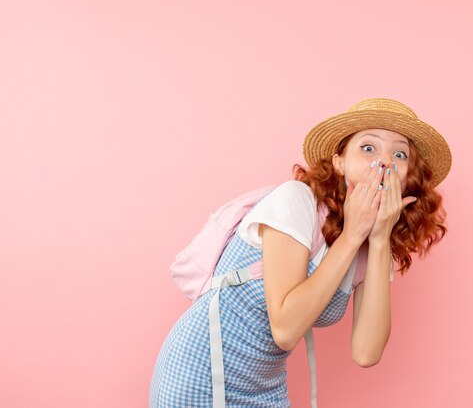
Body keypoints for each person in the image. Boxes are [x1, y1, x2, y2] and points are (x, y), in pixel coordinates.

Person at [149, 98, 452, 407]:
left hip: (264, 387)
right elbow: (285, 329)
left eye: (399, 154)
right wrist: (352, 235)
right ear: (339, 162)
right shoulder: (296, 201)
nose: (385, 161)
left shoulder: (375, 244)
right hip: (198, 373)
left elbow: (366, 353)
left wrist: (377, 240)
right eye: (369, 148)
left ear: (407, 176)